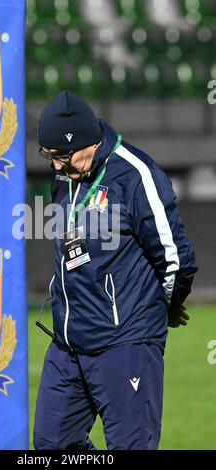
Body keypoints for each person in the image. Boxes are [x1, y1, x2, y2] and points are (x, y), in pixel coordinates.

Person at [33, 90, 198, 450]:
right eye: (48, 156)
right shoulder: (63, 174)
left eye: (60, 156)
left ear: (86, 143)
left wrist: (166, 307)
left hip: (124, 343)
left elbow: (177, 258)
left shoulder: (137, 175)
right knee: (52, 444)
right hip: (68, 343)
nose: (56, 166)